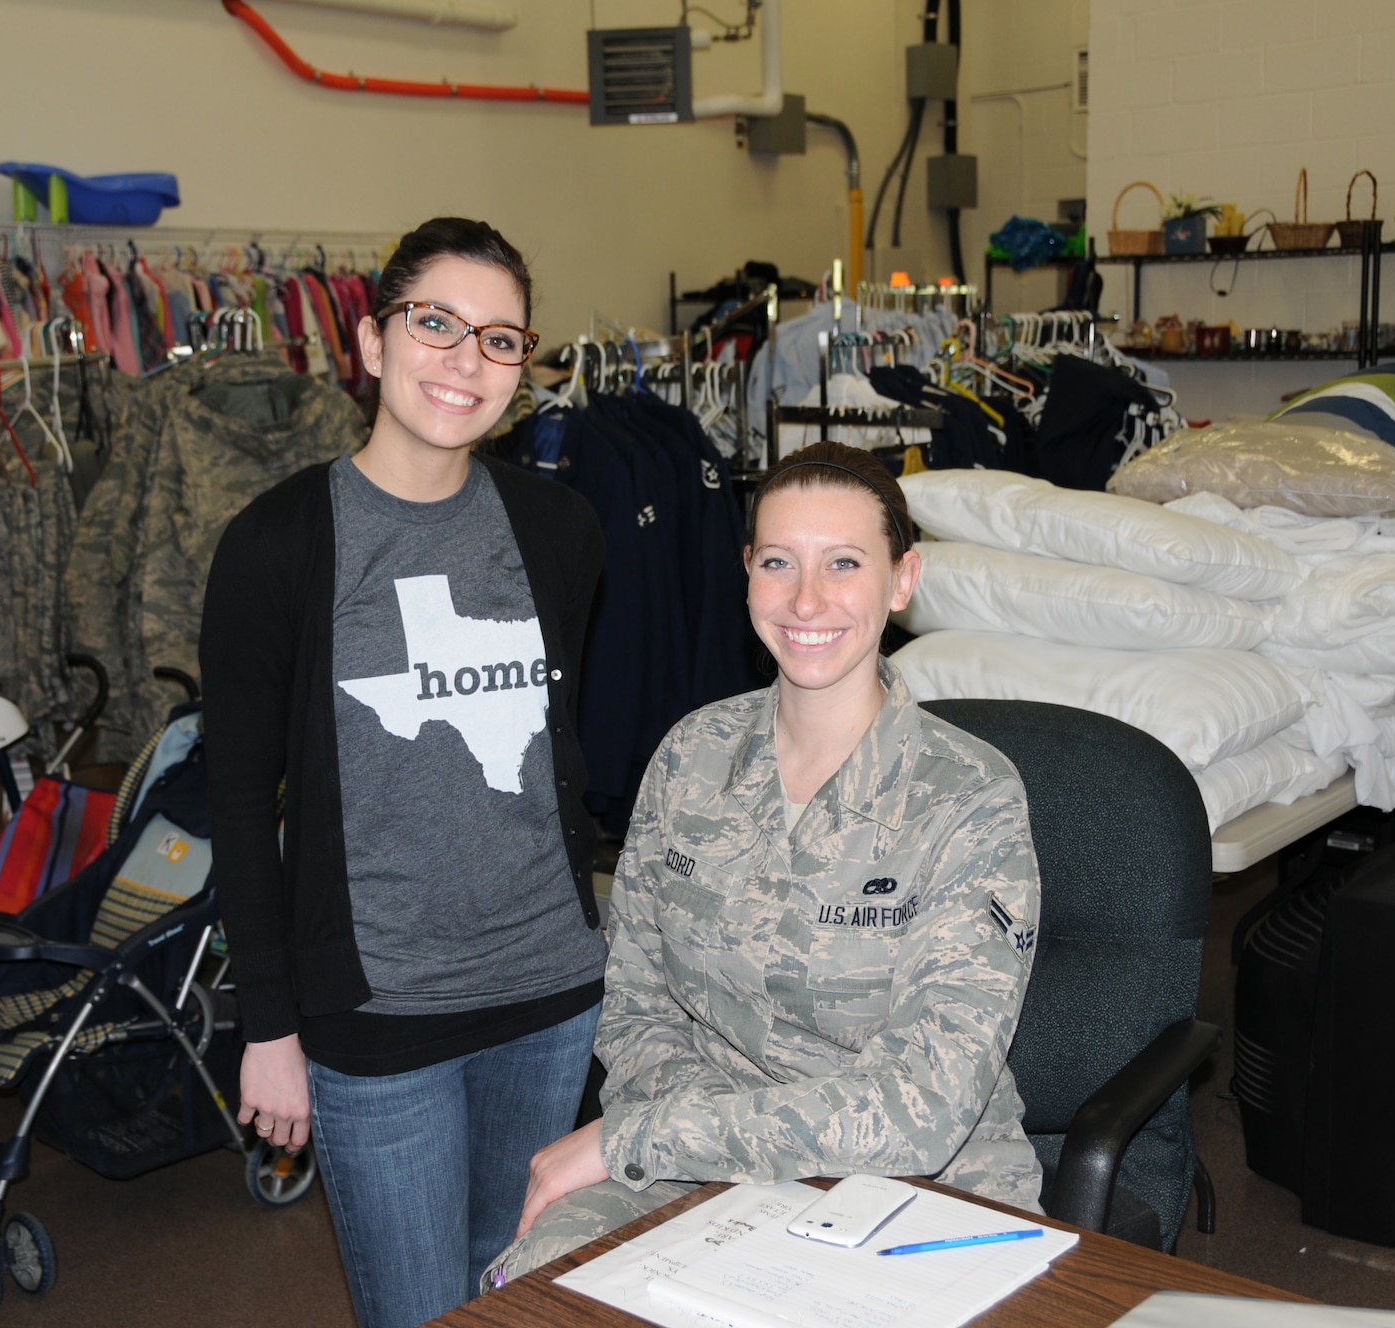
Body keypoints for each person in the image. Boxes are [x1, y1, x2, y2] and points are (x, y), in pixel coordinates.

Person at [483, 440, 1044, 1287]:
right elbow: (635, 997)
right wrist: (693, 1133)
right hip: (701, 1161)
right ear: (746, 571)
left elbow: (922, 1107)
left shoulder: (968, 797)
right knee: (538, 1281)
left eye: (845, 564)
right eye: (778, 562)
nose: (807, 600)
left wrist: (645, 1135)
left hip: (919, 1188)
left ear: (902, 579)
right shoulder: (690, 756)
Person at [201, 217, 607, 1328]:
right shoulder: (277, 543)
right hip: (377, 1012)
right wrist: (267, 1026)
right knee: (418, 1310)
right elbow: (236, 803)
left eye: (499, 338)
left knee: (516, 1289)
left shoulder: (558, 526)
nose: (463, 360)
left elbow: (560, 754)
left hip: (549, 991)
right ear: (372, 344)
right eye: (435, 324)